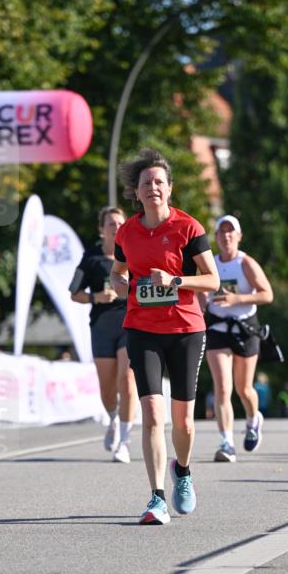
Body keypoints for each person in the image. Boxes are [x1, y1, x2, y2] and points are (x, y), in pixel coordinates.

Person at [111, 148, 219, 525]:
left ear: (169, 189)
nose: (153, 188)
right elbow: (117, 270)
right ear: (136, 193)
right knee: (153, 416)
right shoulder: (126, 232)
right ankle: (156, 497)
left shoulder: (189, 228)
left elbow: (212, 279)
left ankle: (183, 471)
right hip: (142, 329)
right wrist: (119, 281)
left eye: (159, 182)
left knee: (184, 422)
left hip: (187, 330)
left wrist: (176, 281)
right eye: (146, 184)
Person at [200, 215, 273, 462]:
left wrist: (236, 299)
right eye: (222, 232)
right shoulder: (210, 263)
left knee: (244, 389)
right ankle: (227, 443)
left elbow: (267, 295)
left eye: (231, 232)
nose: (226, 236)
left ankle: (254, 419)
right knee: (222, 388)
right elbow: (201, 295)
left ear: (239, 236)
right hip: (218, 329)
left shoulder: (246, 264)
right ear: (216, 237)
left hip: (245, 329)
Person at [70, 206, 137, 463]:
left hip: (129, 322)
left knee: (127, 379)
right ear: (102, 229)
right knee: (107, 388)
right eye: (111, 223)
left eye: (120, 222)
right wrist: (95, 297)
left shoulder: (133, 254)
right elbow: (74, 293)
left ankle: (125, 441)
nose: (116, 227)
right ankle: (113, 418)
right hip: (101, 325)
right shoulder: (91, 258)